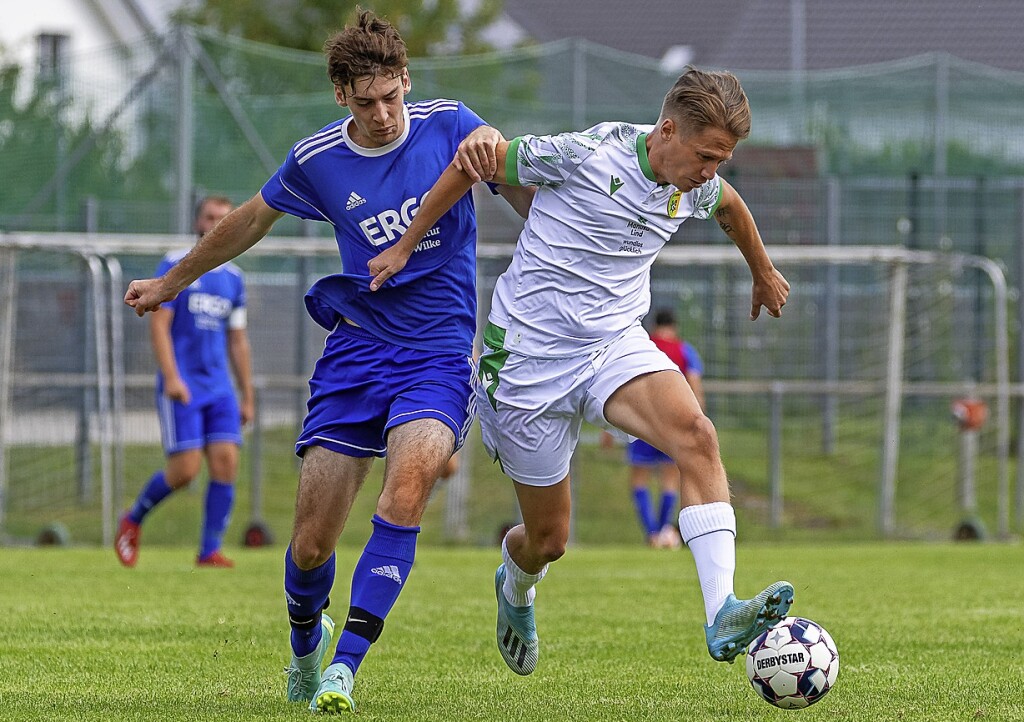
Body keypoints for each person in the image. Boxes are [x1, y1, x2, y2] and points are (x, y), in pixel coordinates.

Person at [124, 9, 532, 715]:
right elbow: (250, 218)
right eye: (366, 101)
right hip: (356, 354)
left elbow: (524, 190)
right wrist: (171, 282)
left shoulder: (449, 123)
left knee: (405, 492)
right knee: (311, 545)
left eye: (392, 96)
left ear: (407, 80)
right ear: (341, 95)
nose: (382, 114)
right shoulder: (318, 160)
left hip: (437, 354)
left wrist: (519, 168)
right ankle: (308, 647)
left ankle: (345, 669)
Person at [369, 67, 794, 675]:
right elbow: (475, 165)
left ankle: (721, 610)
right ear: (667, 129)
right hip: (525, 364)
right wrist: (407, 244)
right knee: (548, 542)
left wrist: (762, 269)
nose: (710, 172)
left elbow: (729, 206)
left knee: (697, 437)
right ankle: (515, 584)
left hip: (611, 345)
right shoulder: (583, 154)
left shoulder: (696, 184)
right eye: (705, 156)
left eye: (721, 159)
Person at [114, 195, 254, 569]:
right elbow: (159, 325)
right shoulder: (175, 264)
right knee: (185, 470)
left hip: (220, 388)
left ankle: (209, 551)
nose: (217, 224)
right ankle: (132, 519)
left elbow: (237, 341)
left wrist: (247, 395)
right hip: (184, 385)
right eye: (211, 217)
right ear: (198, 222)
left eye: (226, 218)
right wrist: (172, 377)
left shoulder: (234, 279)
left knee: (226, 464)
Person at [603, 308, 706, 549]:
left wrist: (606, 429)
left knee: (639, 480)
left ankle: (651, 533)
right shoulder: (684, 350)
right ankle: (663, 532)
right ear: (675, 326)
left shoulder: (643, 347)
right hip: (674, 423)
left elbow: (618, 383)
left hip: (644, 422)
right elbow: (694, 386)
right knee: (670, 480)